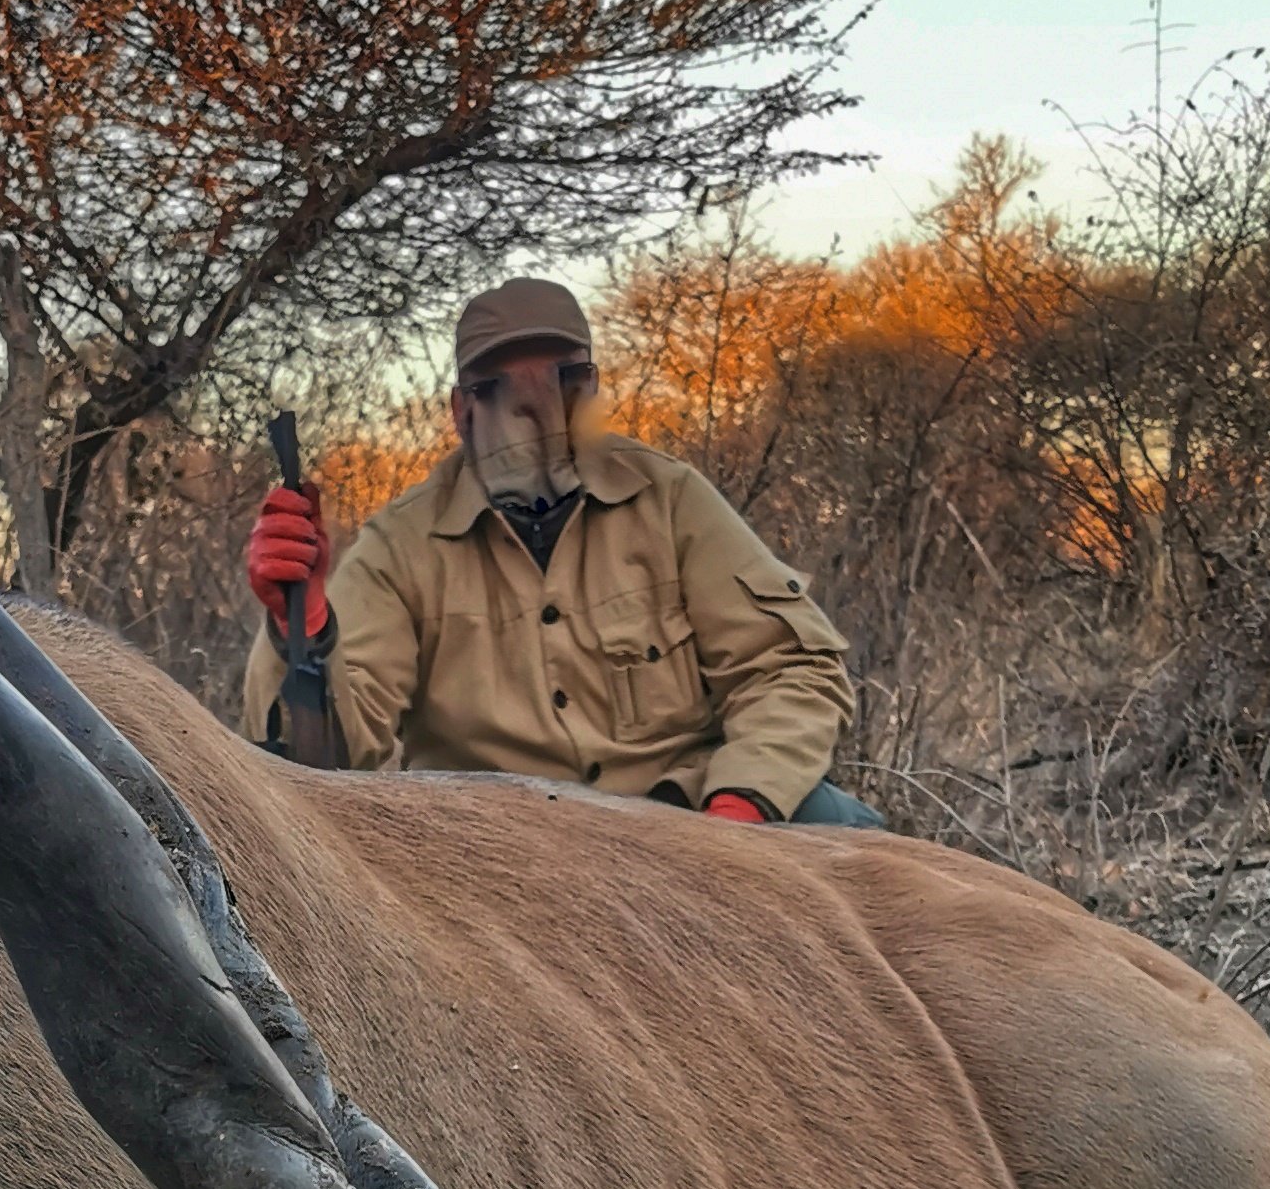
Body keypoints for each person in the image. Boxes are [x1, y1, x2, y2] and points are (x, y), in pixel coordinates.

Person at [242, 276, 883, 826]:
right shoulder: (401, 546)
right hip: (504, 856)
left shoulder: (669, 499)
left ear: (593, 390)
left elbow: (788, 667)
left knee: (876, 869)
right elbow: (329, 770)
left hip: (693, 816)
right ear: (462, 410)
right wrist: (305, 626)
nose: (539, 414)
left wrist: (739, 809)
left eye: (564, 382)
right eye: (505, 394)